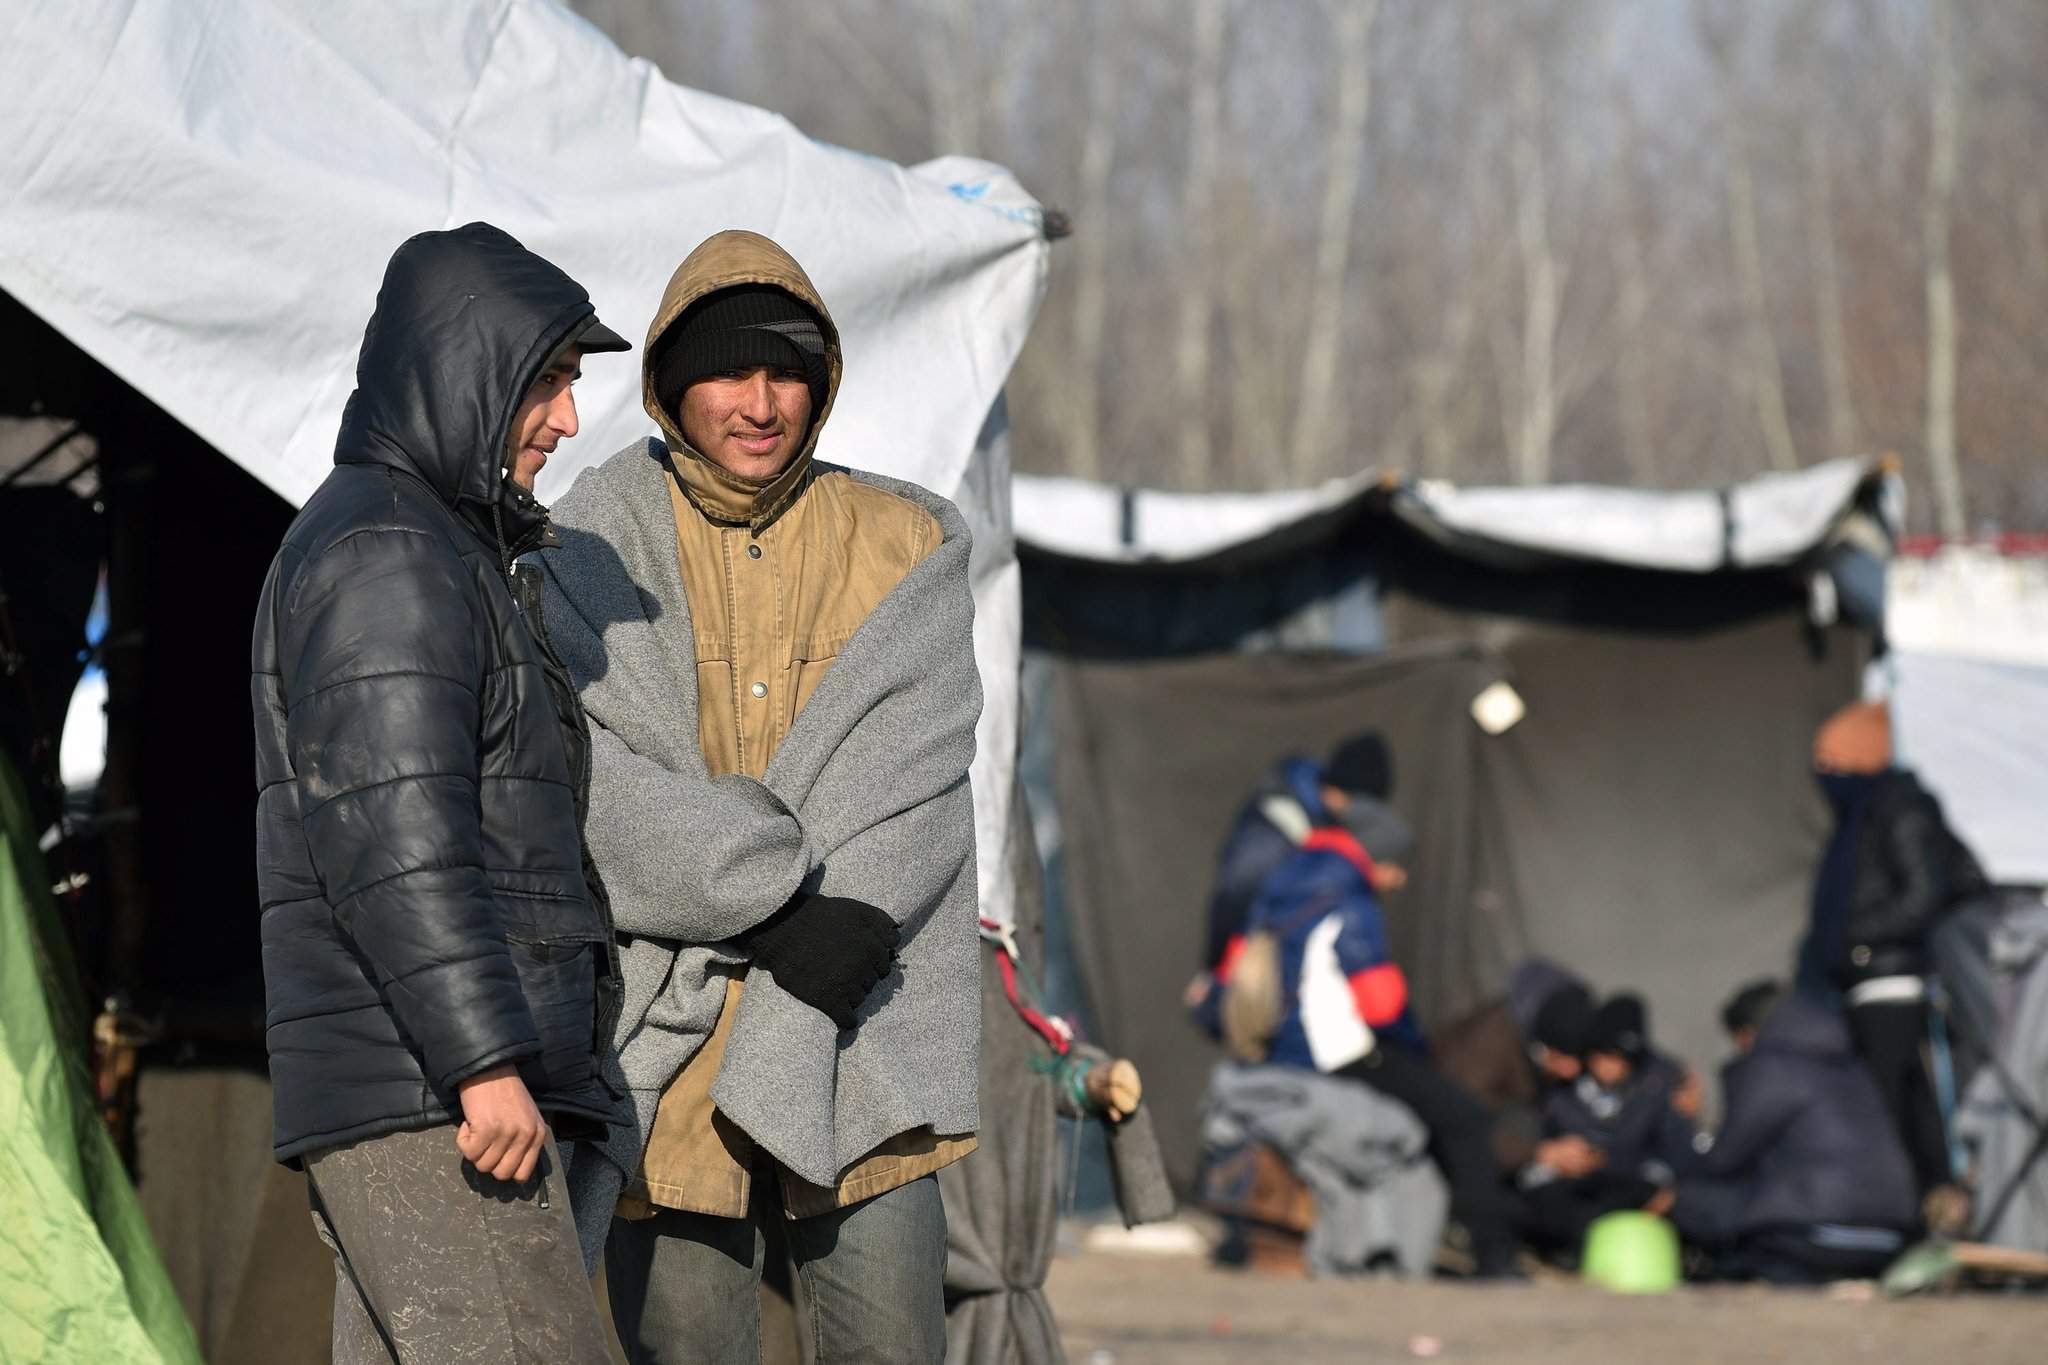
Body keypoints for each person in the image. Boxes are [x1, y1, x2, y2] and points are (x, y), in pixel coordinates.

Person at [539, 230, 982, 1364]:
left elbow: (917, 778)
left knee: (894, 1344)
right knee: (684, 1346)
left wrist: (831, 930)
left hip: (861, 1010)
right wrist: (778, 910)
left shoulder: (908, 542)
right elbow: (584, 779)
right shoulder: (589, 542)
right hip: (665, 1029)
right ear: (670, 385)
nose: (760, 402)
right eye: (729, 372)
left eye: (786, 371)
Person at [251, 223, 632, 1363]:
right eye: (548, 381)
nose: (568, 419)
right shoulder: (388, 554)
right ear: (471, 371)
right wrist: (484, 1063)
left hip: (424, 1086)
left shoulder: (427, 544)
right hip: (435, 1096)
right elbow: (396, 843)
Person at [1211, 773, 1525, 1278]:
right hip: (1338, 1056)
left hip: (1275, 1050)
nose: (1400, 878)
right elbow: (1380, 1006)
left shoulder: (1280, 885)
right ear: (1375, 857)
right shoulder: (1351, 904)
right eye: (1397, 864)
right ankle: (1494, 1256)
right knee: (1463, 1118)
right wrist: (1416, 1048)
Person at [1796, 699, 1987, 1199]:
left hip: (1895, 980)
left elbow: (1924, 894)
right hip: (1865, 978)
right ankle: (1918, 1199)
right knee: (1902, 1100)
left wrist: (1854, 936)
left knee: (1894, 1102)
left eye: (1832, 763)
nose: (1824, 775)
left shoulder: (1898, 808)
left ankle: (1910, 1202)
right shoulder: (1864, 816)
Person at [1671, 981, 1918, 1282]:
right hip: (1890, 1235)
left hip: (1816, 1232)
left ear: (1747, 1033)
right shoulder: (1850, 1063)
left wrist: (1688, 1120)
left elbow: (1722, 1161)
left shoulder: (1771, 1066)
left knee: (1687, 1200)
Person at [1186, 736, 1409, 1036]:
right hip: (1256, 985)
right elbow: (1234, 900)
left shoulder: (1319, 828)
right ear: (1341, 793)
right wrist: (1216, 972)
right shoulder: (1274, 836)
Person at [1521, 994, 1701, 1258]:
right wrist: (1554, 1156)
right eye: (1605, 1056)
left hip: (1629, 1183)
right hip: (1569, 1184)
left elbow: (1674, 1151)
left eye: (1622, 1060)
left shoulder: (1660, 1083)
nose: (1612, 1068)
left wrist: (1609, 1161)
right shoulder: (1562, 1082)